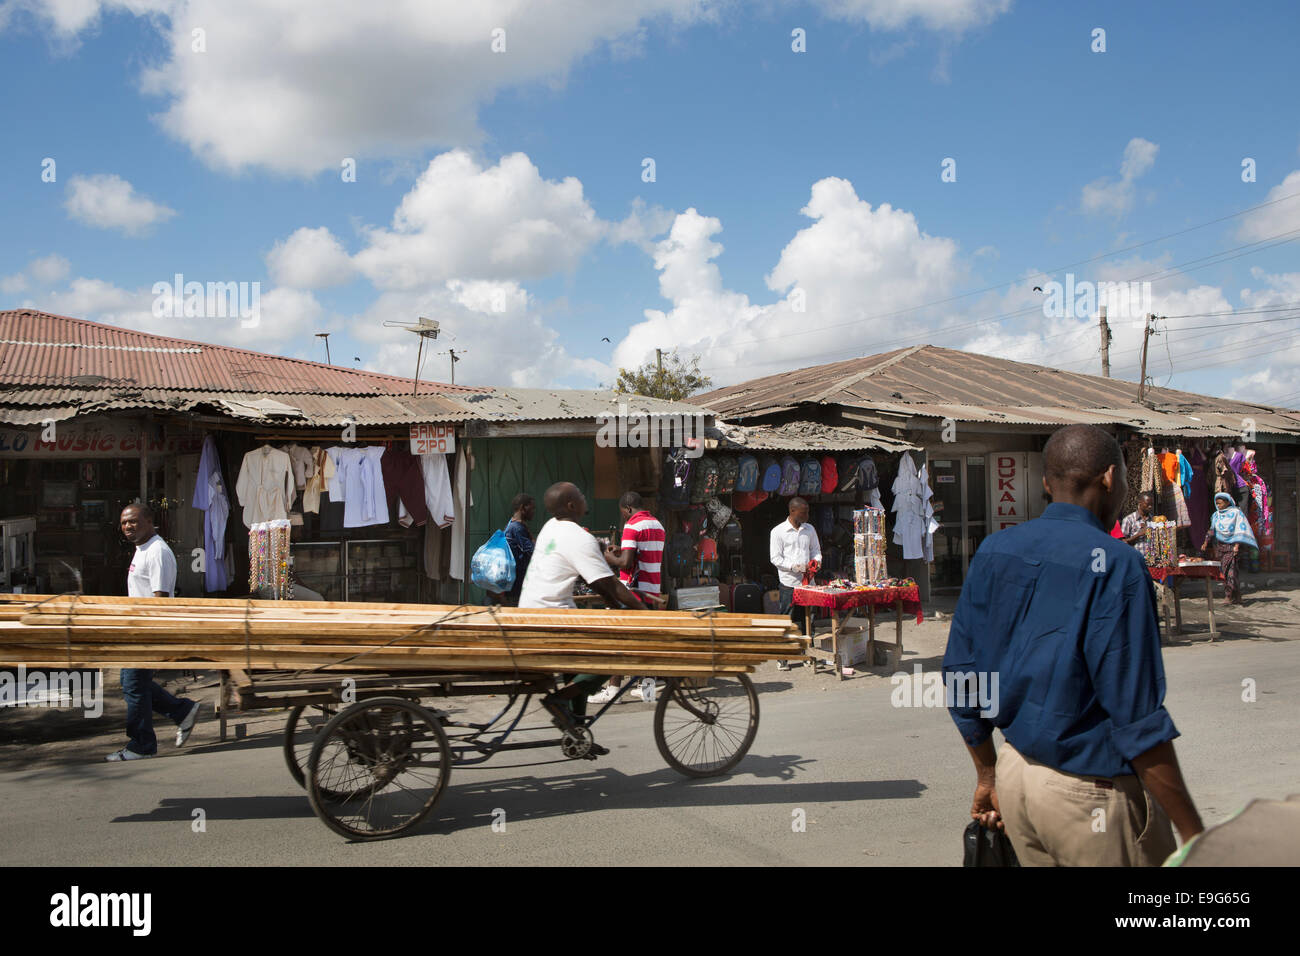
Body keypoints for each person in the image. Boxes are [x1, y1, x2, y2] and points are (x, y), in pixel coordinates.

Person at [943, 424, 1203, 866]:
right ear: (1109, 478)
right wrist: (1194, 833)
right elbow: (1136, 718)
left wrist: (988, 773)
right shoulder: (1119, 565)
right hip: (1089, 797)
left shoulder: (994, 550)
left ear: (1046, 483)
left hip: (1016, 780)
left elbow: (962, 680)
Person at [518, 482, 649, 747]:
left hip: (535, 615)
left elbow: (599, 585)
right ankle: (559, 701)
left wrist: (616, 601)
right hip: (551, 621)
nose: (584, 497)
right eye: (580, 494)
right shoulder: (578, 537)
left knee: (578, 666)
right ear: (571, 505)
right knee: (611, 654)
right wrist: (646, 613)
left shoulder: (551, 527)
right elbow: (608, 585)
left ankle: (575, 731)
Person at [106, 504, 202, 761]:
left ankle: (142, 745)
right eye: (125, 522)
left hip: (148, 632)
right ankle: (183, 711)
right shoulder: (142, 549)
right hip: (137, 630)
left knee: (134, 686)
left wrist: (151, 637)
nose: (128, 526)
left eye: (134, 521)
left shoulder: (157, 552)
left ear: (149, 522)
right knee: (134, 684)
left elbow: (160, 600)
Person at [590, 492, 667, 704]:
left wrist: (604, 553)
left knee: (619, 638)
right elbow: (642, 555)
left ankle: (613, 689)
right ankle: (648, 690)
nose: (623, 516)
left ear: (628, 508)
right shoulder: (657, 525)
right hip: (652, 589)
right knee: (647, 641)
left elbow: (624, 563)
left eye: (623, 512)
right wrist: (621, 550)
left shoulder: (632, 526)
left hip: (633, 591)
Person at [770, 496, 821, 671]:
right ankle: (782, 657)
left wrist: (817, 562)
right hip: (789, 583)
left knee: (808, 619)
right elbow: (775, 558)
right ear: (792, 511)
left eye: (807, 512)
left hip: (808, 583)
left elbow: (815, 551)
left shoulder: (810, 529)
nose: (807, 515)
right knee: (788, 619)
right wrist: (793, 566)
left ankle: (807, 653)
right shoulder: (778, 532)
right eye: (803, 512)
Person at [1202, 492, 1257, 605]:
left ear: (1227, 502)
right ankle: (1237, 596)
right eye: (1217, 504)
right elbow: (1212, 530)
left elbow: (1240, 529)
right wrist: (1205, 542)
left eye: (1221, 503)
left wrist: (1237, 546)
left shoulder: (1236, 513)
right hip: (1221, 548)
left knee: (1230, 572)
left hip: (1233, 547)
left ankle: (1228, 596)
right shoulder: (1216, 515)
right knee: (1227, 572)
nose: (1218, 506)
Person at [500, 493, 535, 607]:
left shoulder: (512, 524)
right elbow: (532, 552)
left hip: (513, 584)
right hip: (517, 586)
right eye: (531, 507)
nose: (533, 511)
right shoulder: (517, 528)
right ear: (522, 508)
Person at [1121, 491, 1157, 565]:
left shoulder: (1153, 520)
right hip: (1136, 562)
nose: (1150, 507)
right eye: (1147, 504)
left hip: (1152, 562)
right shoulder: (1129, 519)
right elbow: (1121, 543)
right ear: (1140, 503)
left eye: (1151, 505)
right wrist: (1138, 534)